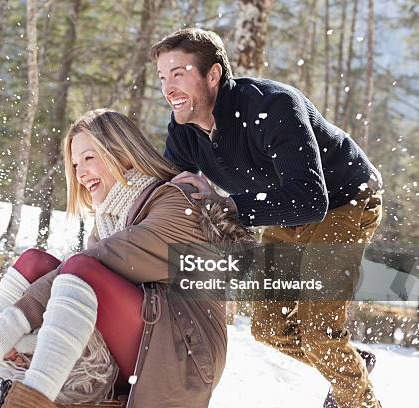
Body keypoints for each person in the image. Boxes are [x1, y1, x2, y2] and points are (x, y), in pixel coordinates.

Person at [0, 109, 252, 408]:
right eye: (75, 164)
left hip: (183, 358)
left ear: (122, 152)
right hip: (133, 348)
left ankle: (31, 400)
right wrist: (25, 341)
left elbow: (94, 267)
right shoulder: (109, 220)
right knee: (34, 262)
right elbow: (81, 301)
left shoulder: (176, 203)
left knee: (81, 269)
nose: (80, 174)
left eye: (89, 158)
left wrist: (14, 321)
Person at [150, 28, 383, 408]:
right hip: (283, 208)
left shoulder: (273, 107)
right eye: (162, 77)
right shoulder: (184, 130)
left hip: (346, 200)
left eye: (179, 73)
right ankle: (350, 365)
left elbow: (311, 198)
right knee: (270, 329)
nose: (168, 88)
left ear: (213, 75)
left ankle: (357, 399)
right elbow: (171, 195)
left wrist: (231, 206)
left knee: (319, 333)